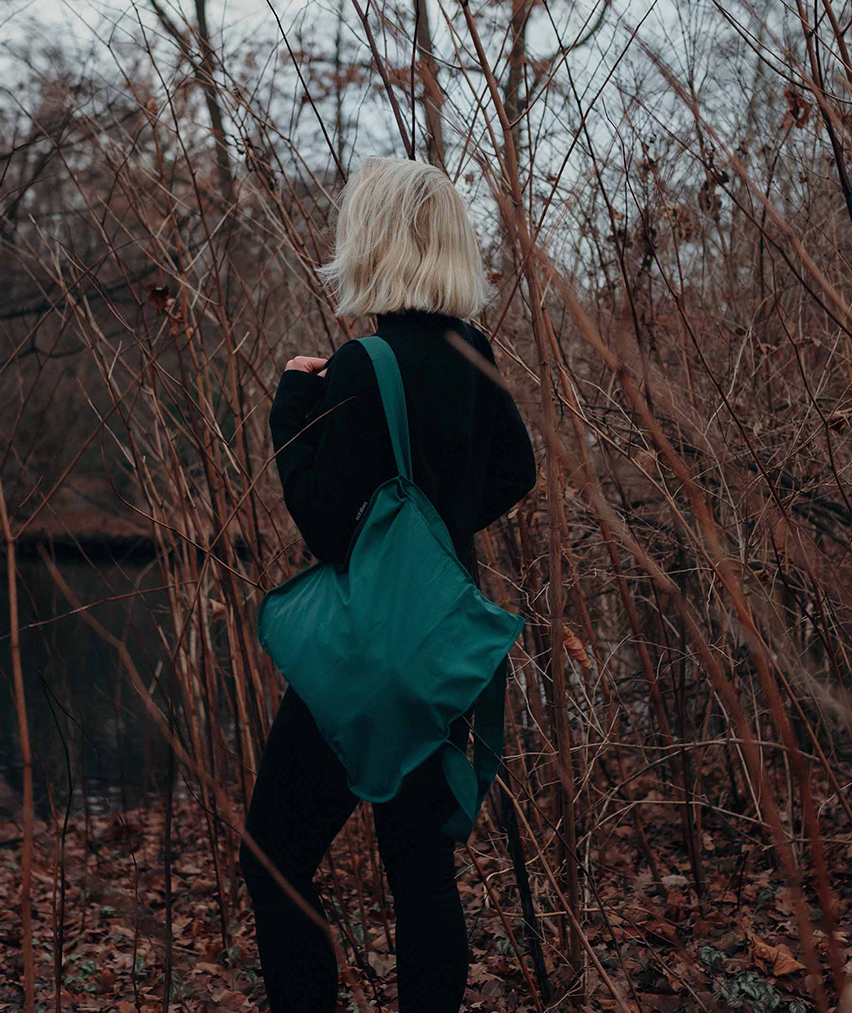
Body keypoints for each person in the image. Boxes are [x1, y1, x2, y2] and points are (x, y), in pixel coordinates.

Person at [238, 155, 536, 1013]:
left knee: (273, 856)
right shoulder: (475, 352)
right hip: (442, 653)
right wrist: (438, 536)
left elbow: (324, 527)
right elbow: (517, 469)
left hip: (367, 664)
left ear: (374, 242)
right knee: (421, 874)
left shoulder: (364, 364)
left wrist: (291, 411)